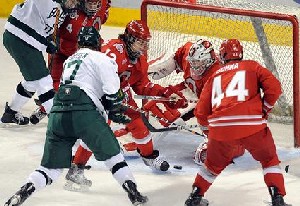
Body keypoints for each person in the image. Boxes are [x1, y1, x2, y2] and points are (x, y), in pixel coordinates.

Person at [4, 26, 148, 206]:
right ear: (98, 43)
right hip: (85, 110)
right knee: (114, 157)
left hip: (58, 111)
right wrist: (116, 110)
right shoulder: (102, 58)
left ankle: (24, 191)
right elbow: (113, 93)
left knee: (50, 169)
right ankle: (133, 193)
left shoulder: (69, 60)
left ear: (79, 44)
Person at [63, 20, 187, 190]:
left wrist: (164, 93)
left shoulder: (140, 58)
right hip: (96, 92)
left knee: (137, 123)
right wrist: (110, 98)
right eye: (140, 42)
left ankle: (149, 156)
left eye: (145, 42)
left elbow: (142, 86)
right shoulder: (112, 51)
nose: (143, 46)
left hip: (119, 91)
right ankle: (76, 169)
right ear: (128, 38)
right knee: (97, 132)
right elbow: (94, 75)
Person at [184, 39, 291, 206]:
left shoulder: (214, 76)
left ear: (222, 55)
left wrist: (211, 134)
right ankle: (277, 198)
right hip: (252, 126)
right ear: (240, 53)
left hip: (221, 130)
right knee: (269, 159)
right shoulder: (252, 66)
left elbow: (201, 113)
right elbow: (275, 88)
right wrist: (264, 109)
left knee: (211, 166)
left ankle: (194, 197)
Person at [144, 39, 245, 165]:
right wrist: (158, 69)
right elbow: (176, 59)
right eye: (193, 62)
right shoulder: (188, 53)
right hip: (190, 91)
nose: (194, 67)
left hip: (211, 103)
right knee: (157, 107)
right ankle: (140, 138)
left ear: (208, 62)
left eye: (198, 63)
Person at [30, 0, 112, 124]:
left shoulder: (102, 5)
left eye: (96, 4)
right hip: (60, 51)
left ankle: (79, 111)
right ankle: (46, 108)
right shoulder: (72, 9)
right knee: (54, 82)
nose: (93, 7)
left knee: (80, 84)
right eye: (90, 4)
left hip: (82, 53)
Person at [0, 0, 80, 125]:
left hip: (27, 42)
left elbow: (46, 26)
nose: (73, 4)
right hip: (20, 38)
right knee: (44, 81)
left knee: (32, 82)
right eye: (72, 0)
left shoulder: (64, 10)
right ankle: (59, 123)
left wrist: (48, 41)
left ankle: (10, 113)